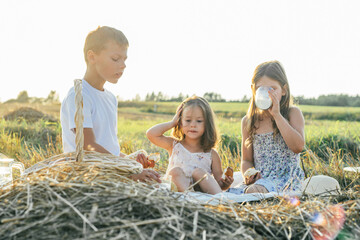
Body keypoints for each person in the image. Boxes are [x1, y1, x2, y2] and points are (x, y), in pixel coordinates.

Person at [60, 26, 160, 183]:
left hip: (111, 171)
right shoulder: (78, 96)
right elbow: (89, 147)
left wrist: (131, 161)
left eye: (124, 60)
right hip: (88, 176)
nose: (123, 65)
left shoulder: (111, 98)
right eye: (115, 59)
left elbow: (108, 148)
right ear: (92, 57)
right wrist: (126, 169)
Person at [228, 60, 305, 194]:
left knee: (255, 191)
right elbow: (246, 160)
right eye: (260, 89)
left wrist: (277, 115)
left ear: (284, 90)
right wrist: (248, 175)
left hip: (286, 178)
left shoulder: (292, 114)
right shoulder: (249, 121)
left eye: (272, 89)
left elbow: (298, 147)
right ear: (254, 90)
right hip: (261, 180)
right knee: (227, 193)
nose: (267, 94)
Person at [146, 96, 233, 194]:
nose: (193, 125)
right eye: (188, 120)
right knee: (175, 172)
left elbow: (219, 183)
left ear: (207, 124)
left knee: (199, 173)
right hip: (180, 193)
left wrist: (226, 184)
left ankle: (220, 200)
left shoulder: (211, 154)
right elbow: (151, 134)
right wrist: (172, 123)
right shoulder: (174, 145)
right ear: (180, 121)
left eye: (199, 121)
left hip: (204, 194)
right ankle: (189, 196)